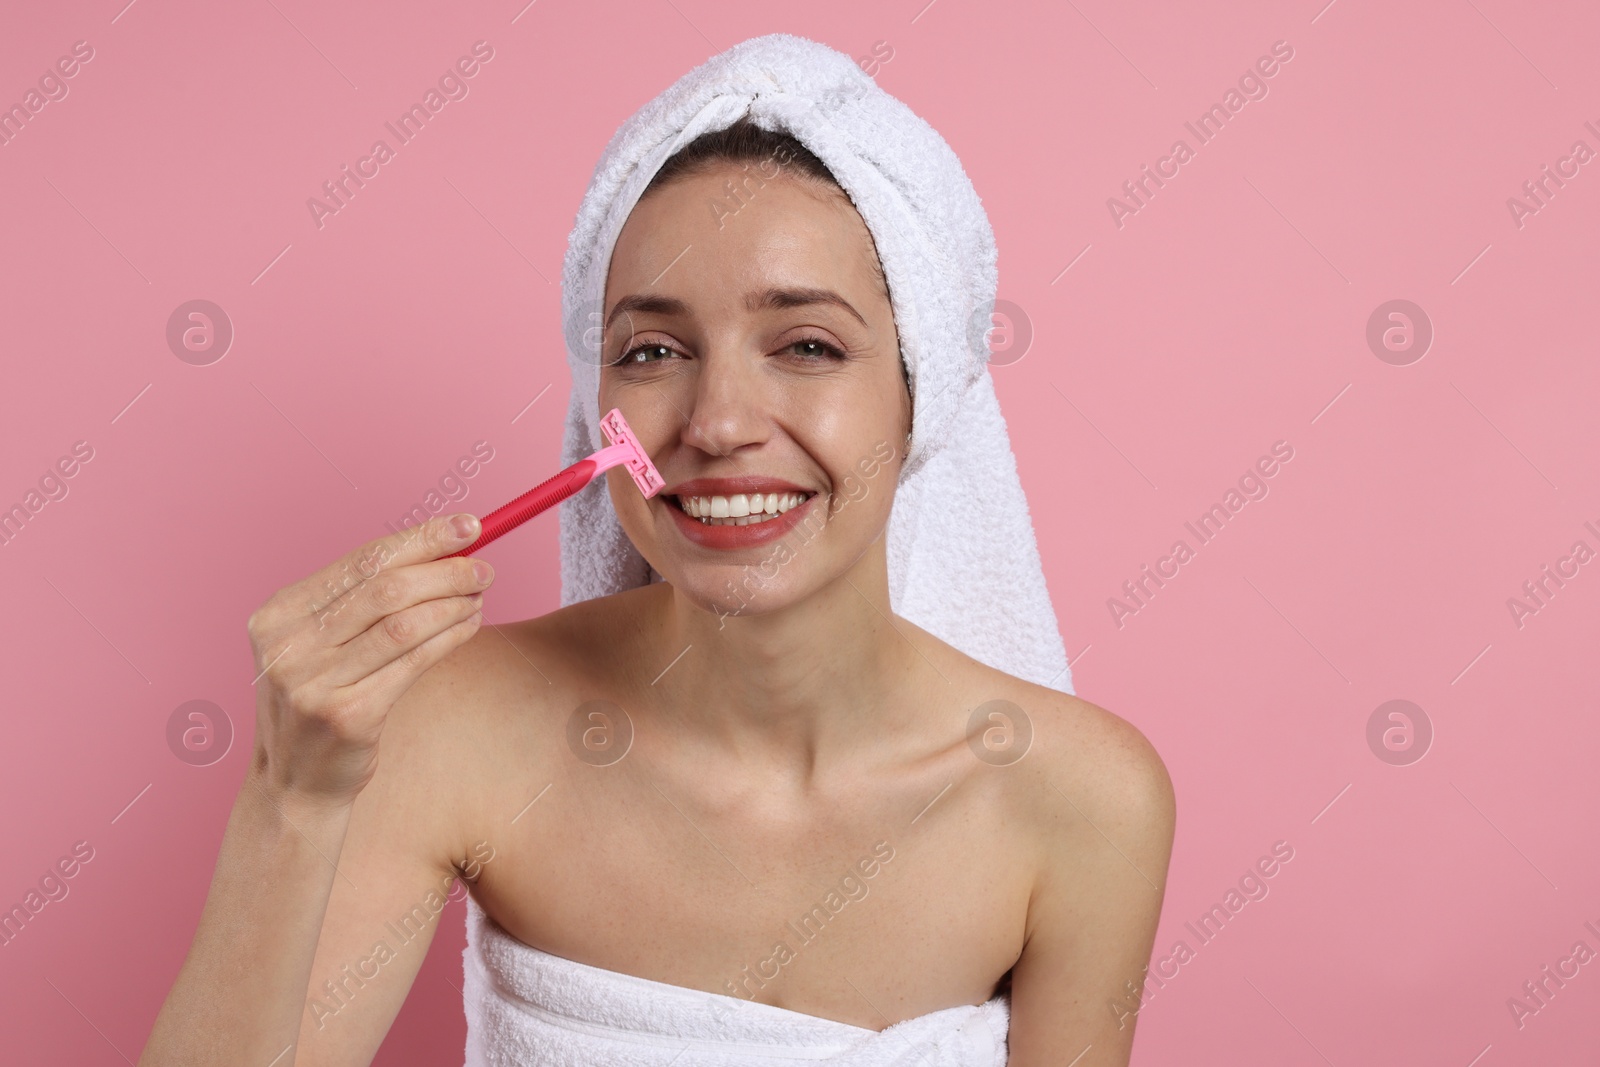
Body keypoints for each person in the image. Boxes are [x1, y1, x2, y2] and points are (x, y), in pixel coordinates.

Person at [140, 34, 1174, 1067]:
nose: (718, 422)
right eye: (653, 351)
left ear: (924, 393)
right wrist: (291, 798)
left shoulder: (1085, 801)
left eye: (807, 344)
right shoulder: (452, 725)